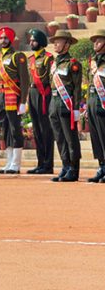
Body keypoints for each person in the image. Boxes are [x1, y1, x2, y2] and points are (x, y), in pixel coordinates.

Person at [0, 27, 30, 174]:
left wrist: (22, 101)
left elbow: (24, 79)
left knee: (15, 129)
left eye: (6, 38)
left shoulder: (18, 56)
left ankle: (15, 163)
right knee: (4, 129)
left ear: (11, 40)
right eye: (1, 38)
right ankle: (8, 162)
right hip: (1, 95)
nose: (3, 40)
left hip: (13, 95)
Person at [48, 30, 82, 182]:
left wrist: (75, 108)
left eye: (59, 41)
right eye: (55, 41)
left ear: (67, 44)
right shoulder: (54, 63)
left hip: (66, 104)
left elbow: (77, 88)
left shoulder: (73, 64)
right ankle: (65, 166)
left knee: (70, 139)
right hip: (54, 104)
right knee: (59, 138)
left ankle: (73, 169)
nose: (55, 43)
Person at [26, 29, 54, 175]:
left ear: (41, 42)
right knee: (36, 130)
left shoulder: (48, 58)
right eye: (30, 40)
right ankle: (40, 162)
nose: (31, 42)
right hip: (32, 93)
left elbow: (50, 79)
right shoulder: (30, 59)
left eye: (34, 40)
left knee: (45, 130)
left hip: (44, 94)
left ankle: (48, 164)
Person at [87, 30, 105, 183]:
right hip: (93, 102)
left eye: (99, 41)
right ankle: (102, 166)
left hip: (103, 104)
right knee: (96, 138)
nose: (95, 44)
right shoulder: (93, 61)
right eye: (95, 41)